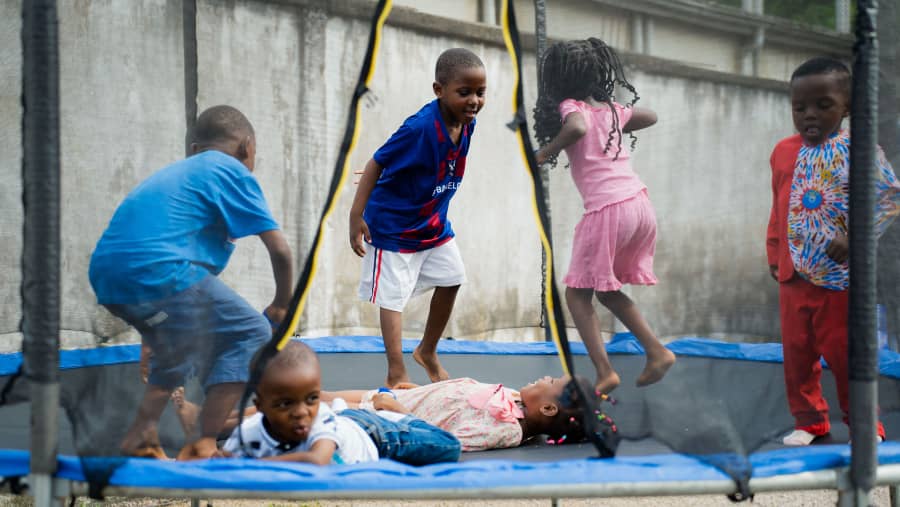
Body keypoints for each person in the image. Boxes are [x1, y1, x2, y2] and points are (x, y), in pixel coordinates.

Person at [89, 105, 294, 460]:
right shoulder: (231, 169)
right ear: (247, 146)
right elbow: (280, 250)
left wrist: (153, 332)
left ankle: (142, 435)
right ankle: (202, 441)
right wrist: (281, 303)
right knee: (252, 331)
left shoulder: (180, 175)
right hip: (160, 271)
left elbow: (149, 259)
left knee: (177, 346)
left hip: (108, 275)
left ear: (196, 148)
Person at [766, 57, 900, 446]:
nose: (809, 115)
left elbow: (889, 198)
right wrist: (775, 251)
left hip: (839, 279)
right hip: (794, 274)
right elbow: (779, 204)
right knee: (796, 354)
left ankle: (863, 423)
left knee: (845, 354)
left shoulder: (858, 150)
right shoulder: (782, 151)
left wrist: (855, 233)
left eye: (823, 105)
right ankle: (809, 421)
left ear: (847, 108)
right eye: (799, 107)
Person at [532, 38, 675, 395]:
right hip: (639, 205)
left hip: (607, 210)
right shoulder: (612, 110)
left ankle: (605, 372)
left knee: (577, 297)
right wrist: (614, 122)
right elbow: (650, 116)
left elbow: (578, 128)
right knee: (607, 292)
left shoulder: (570, 106)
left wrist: (546, 152)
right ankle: (656, 352)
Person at [348, 48, 487, 388]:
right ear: (439, 90)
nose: (473, 101)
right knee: (392, 298)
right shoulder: (420, 128)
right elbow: (377, 162)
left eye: (480, 93)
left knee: (453, 277)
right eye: (464, 92)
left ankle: (427, 349)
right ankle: (396, 371)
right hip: (394, 226)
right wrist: (356, 214)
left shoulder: (467, 124)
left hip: (432, 223)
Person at [222, 341, 461, 465]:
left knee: (448, 447)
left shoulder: (319, 421)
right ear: (260, 405)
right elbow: (219, 461)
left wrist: (255, 464)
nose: (301, 413)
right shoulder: (247, 434)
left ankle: (399, 413)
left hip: (375, 435)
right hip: (343, 420)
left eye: (311, 399)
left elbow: (317, 461)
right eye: (285, 404)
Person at [322, 374, 612, 452]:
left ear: (548, 408)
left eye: (551, 382)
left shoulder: (506, 429)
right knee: (322, 396)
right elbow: (460, 395)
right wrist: (421, 390)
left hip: (392, 418)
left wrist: (398, 410)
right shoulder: (515, 399)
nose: (545, 377)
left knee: (321, 409)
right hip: (406, 398)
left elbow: (441, 441)